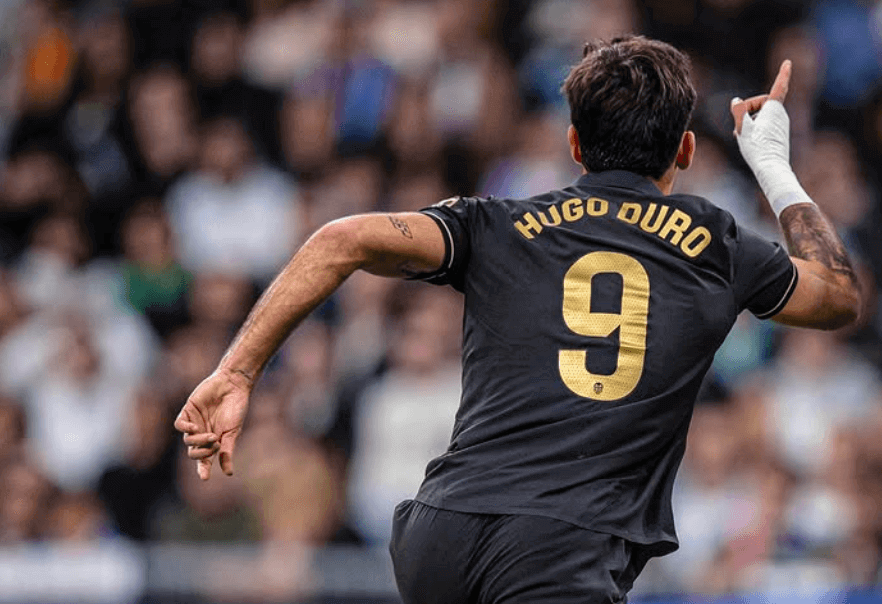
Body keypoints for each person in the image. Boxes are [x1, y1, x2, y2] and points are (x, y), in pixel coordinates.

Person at [175, 36, 861, 603]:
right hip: (559, 546)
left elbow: (339, 240)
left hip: (440, 536)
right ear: (684, 150)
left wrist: (235, 372)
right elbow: (836, 295)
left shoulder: (498, 223)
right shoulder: (713, 241)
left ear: (573, 144)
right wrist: (772, 165)